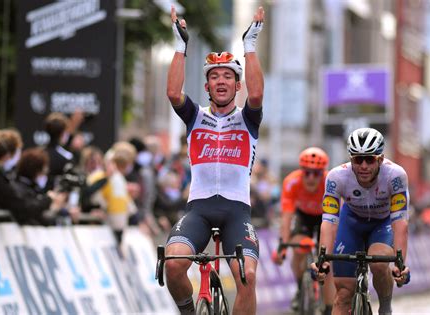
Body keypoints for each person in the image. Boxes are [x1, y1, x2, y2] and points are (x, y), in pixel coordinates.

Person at [164, 5, 265, 315]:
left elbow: (258, 95)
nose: (221, 81)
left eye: (228, 77)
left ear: (238, 86)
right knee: (173, 263)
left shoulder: (247, 119)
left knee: (246, 276)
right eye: (214, 77)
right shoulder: (195, 117)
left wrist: (249, 48)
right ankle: (189, 312)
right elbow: (172, 92)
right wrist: (180, 47)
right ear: (207, 87)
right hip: (200, 208)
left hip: (237, 211)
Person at [311, 128, 410, 315]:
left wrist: (400, 263)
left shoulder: (395, 176)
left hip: (383, 222)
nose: (363, 165)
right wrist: (322, 257)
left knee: (380, 263)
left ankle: (385, 306)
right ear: (350, 159)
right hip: (352, 222)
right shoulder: (336, 177)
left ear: (380, 159)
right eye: (358, 159)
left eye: (370, 159)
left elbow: (400, 223)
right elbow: (329, 221)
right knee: (342, 295)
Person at [273, 147, 335, 314]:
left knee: (327, 262)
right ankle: (301, 286)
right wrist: (282, 246)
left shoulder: (331, 181)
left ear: (323, 172)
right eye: (307, 172)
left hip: (326, 218)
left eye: (316, 173)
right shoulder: (291, 182)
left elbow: (337, 218)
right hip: (303, 217)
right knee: (299, 248)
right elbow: (286, 218)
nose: (311, 178)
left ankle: (329, 308)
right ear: (301, 171)